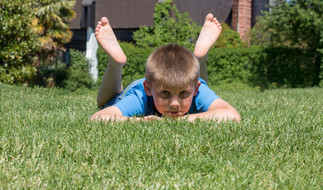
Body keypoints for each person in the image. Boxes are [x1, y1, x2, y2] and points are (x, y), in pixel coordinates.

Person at [91, 13, 241, 122]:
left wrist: (183, 120)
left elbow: (232, 116)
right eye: (165, 93)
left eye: (183, 93)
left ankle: (200, 59)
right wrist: (142, 121)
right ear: (149, 89)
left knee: (194, 81)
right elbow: (99, 118)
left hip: (177, 83)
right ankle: (115, 64)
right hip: (133, 89)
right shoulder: (140, 97)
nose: (174, 103)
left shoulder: (197, 89)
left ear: (196, 89)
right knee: (105, 102)